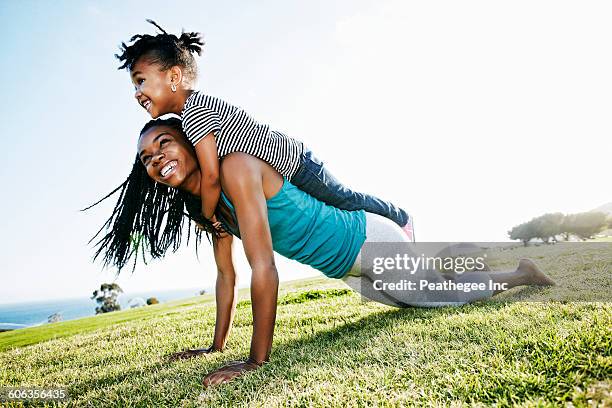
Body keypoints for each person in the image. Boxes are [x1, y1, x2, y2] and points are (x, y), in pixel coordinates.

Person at [88, 118, 555, 387]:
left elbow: (263, 266)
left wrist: (255, 361)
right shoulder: (206, 206)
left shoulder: (234, 167)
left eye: (163, 143)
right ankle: (451, 260)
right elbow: (226, 276)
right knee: (411, 299)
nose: (156, 158)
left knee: (437, 298)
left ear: (191, 142)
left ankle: (520, 272)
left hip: (368, 241)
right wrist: (215, 346)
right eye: (147, 157)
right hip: (349, 270)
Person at [115, 20, 414, 239]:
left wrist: (207, 216)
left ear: (173, 77)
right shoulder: (192, 112)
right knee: (337, 209)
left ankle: (400, 218)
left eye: (140, 81)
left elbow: (210, 175)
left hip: (296, 164)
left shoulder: (194, 114)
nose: (137, 93)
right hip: (285, 170)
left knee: (344, 200)